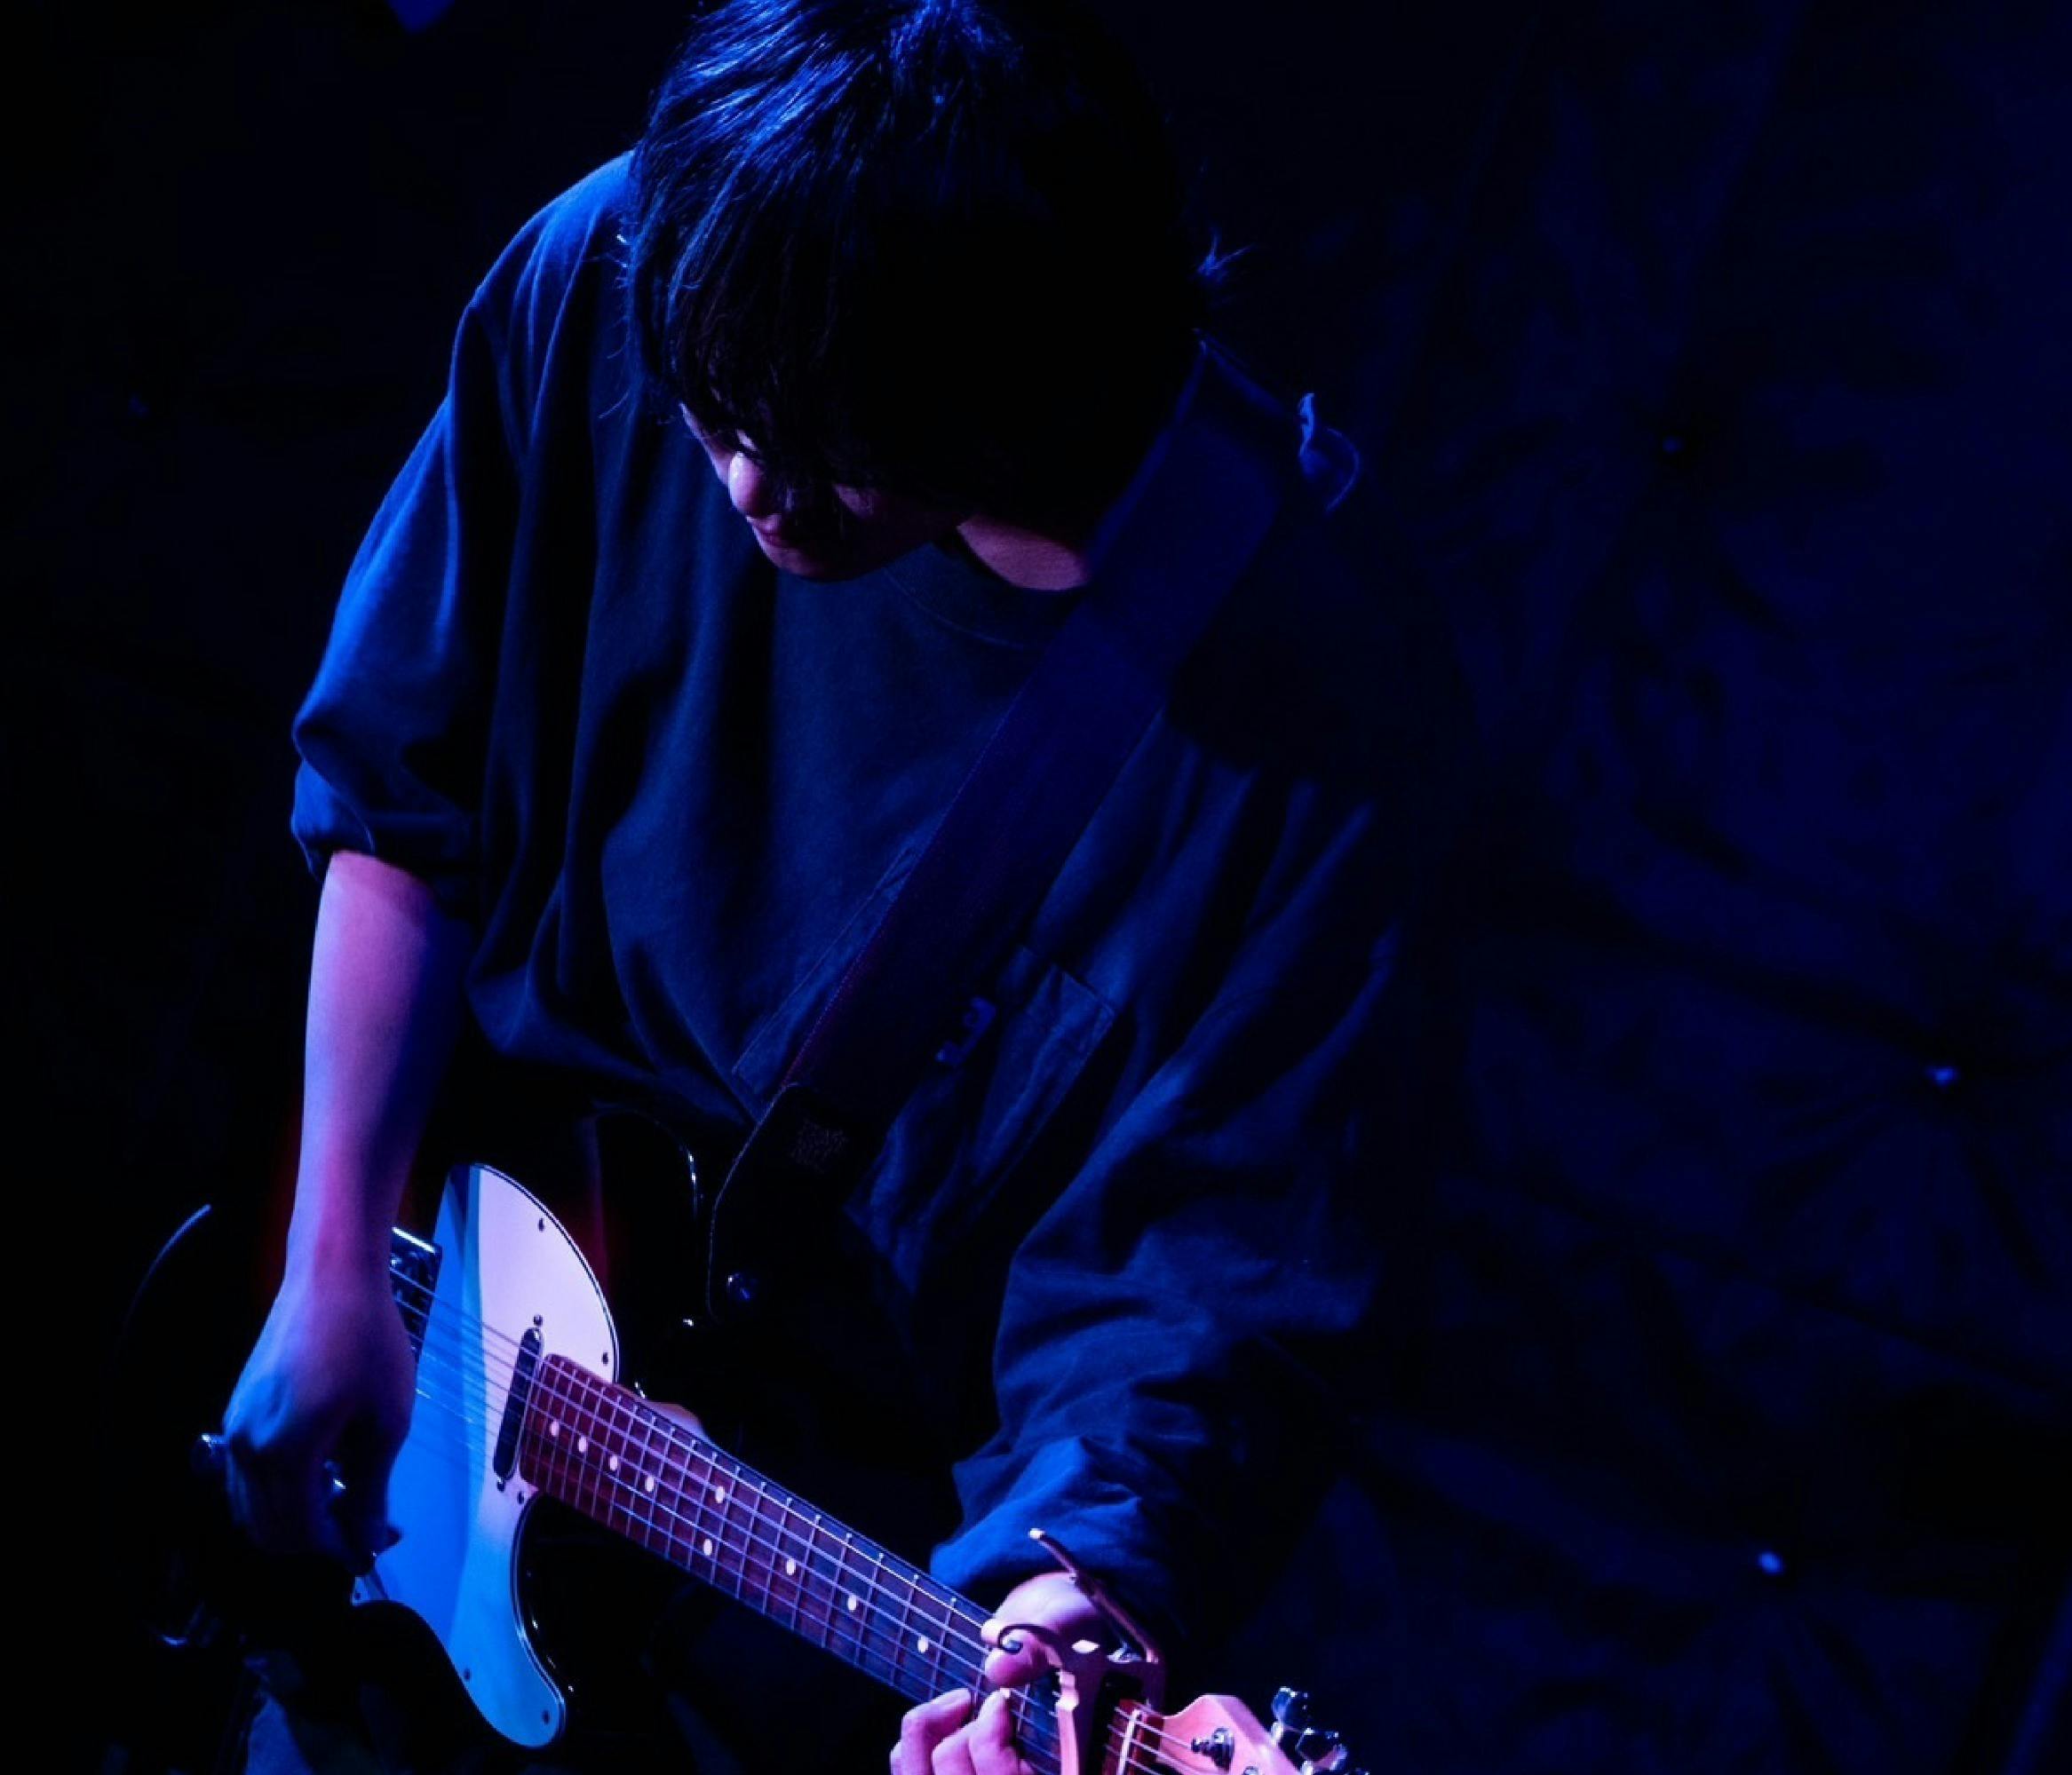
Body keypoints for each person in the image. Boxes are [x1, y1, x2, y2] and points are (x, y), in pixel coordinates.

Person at [215, 2, 1447, 1769]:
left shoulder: (1320, 699)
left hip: (816, 1581)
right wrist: (334, 1253)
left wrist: (1070, 1608)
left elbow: (1214, 1275)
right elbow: (404, 788)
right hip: (429, 1392)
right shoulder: (642, 258)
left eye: (834, 440)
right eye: (713, 410)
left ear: (1030, 367)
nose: (749, 485)